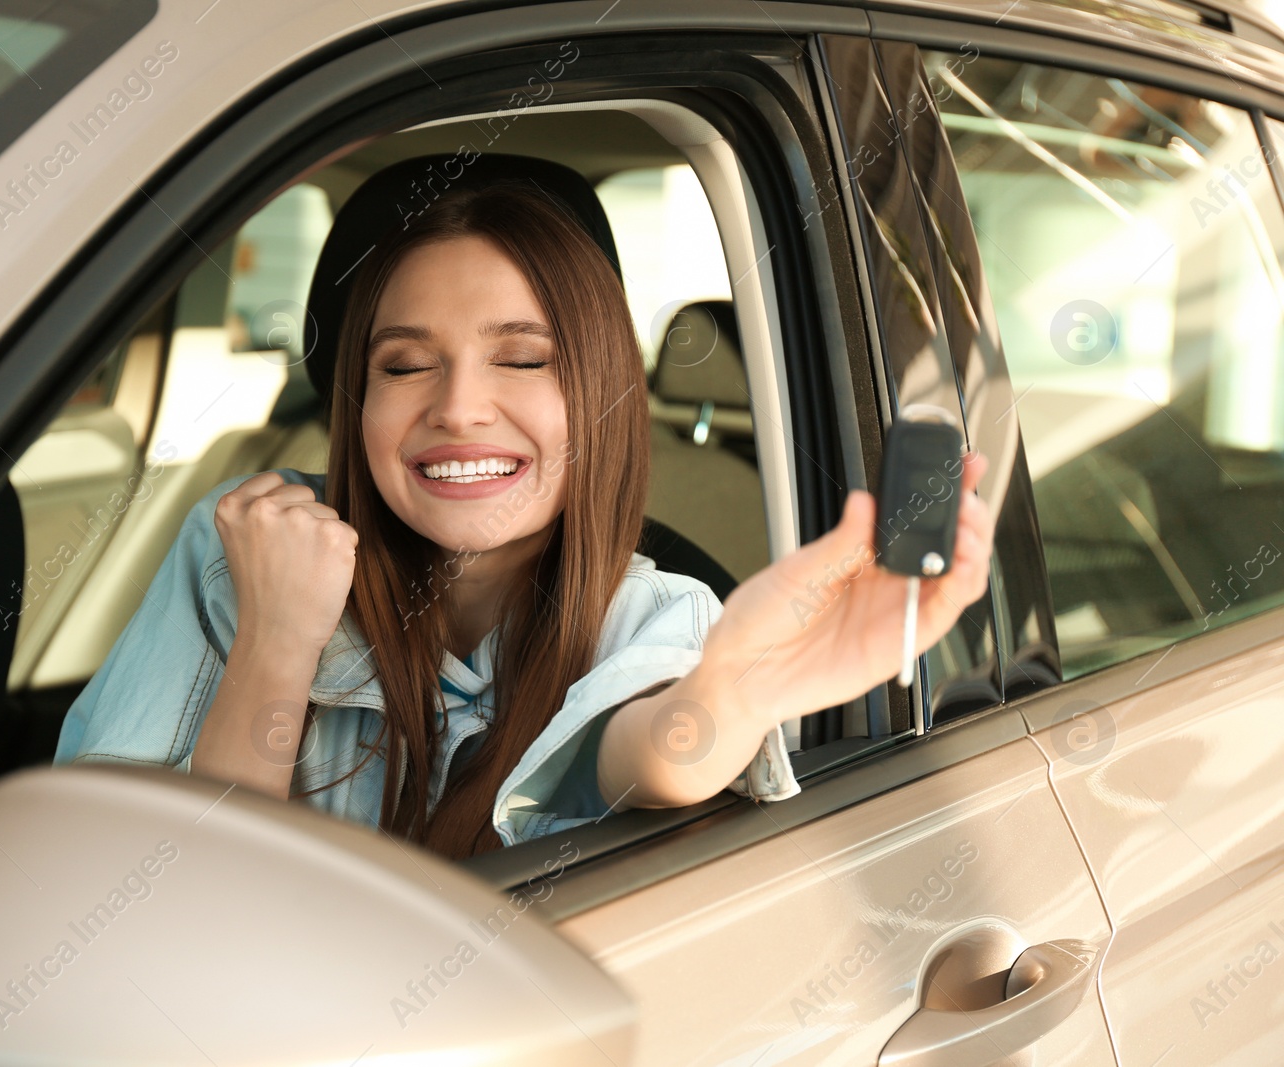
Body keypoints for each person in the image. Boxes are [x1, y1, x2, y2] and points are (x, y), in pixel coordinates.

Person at [53, 180, 994, 860]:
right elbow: (145, 895)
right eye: (406, 364)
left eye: (523, 359)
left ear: (599, 393)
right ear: (354, 399)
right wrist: (275, 641)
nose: (459, 407)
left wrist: (740, 691)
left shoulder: (658, 619)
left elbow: (653, 757)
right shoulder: (238, 560)